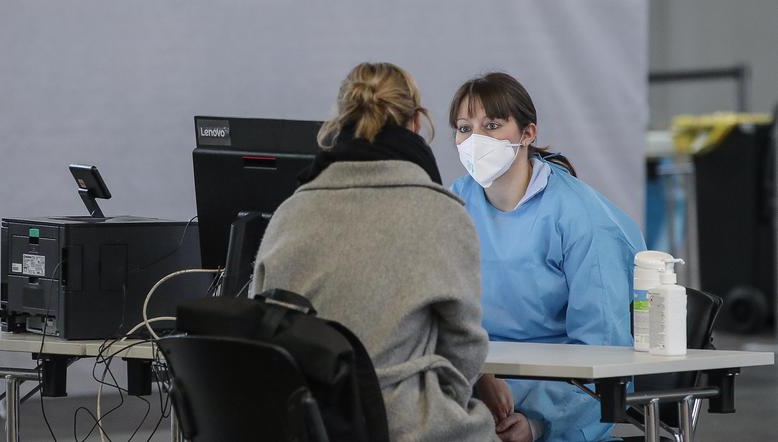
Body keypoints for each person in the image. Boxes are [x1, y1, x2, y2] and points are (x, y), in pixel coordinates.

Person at [252, 62, 498, 441]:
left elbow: (262, 327)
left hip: (308, 425)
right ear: (417, 123)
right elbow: (465, 344)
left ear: (339, 121)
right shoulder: (442, 213)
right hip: (407, 425)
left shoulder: (289, 212)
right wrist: (437, 405)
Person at [449, 72, 646, 442]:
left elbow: (604, 351)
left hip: (559, 402)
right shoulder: (455, 204)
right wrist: (478, 376)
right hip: (470, 392)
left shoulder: (581, 218)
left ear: (528, 133)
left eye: (492, 125)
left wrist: (539, 423)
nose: (475, 140)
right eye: (464, 128)